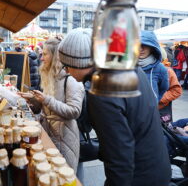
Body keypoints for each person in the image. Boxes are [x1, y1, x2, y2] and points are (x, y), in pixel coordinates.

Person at [58, 28, 171, 186]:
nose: (66, 71)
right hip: (157, 165)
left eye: (66, 66)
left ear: (79, 62)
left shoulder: (102, 90)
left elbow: (119, 155)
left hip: (138, 176)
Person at [19, 37, 85, 171]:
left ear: (55, 56)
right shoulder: (49, 76)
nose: (41, 58)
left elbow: (74, 111)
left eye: (45, 54)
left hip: (64, 138)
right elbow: (46, 106)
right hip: (49, 133)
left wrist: (46, 100)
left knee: (63, 177)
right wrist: (33, 98)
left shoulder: (71, 79)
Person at [138, 31, 169, 102]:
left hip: (149, 111)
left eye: (145, 45)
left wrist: (154, 102)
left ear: (152, 47)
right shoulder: (127, 66)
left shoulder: (160, 68)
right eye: (138, 45)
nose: (141, 49)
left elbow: (163, 88)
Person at [159, 57, 182, 122]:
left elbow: (176, 91)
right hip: (143, 109)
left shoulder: (167, 71)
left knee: (163, 130)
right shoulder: (139, 69)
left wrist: (159, 98)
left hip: (162, 109)